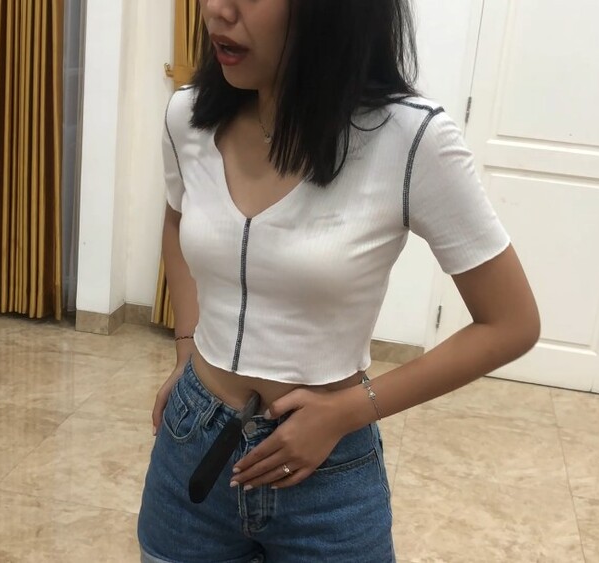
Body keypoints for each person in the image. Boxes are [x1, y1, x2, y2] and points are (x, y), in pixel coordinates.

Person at [137, 0, 540, 561]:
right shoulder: (189, 115)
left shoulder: (409, 137)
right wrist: (186, 351)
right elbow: (177, 218)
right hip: (191, 445)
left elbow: (512, 323)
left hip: (327, 471)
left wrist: (348, 411)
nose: (215, 10)